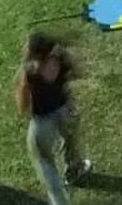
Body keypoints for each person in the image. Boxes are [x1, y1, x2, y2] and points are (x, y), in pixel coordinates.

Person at [15, 33, 90, 204]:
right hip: (65, 110)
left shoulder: (29, 71)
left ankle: (59, 201)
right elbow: (78, 72)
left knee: (44, 162)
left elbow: (22, 104)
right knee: (70, 140)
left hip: (42, 122)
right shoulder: (60, 60)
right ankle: (74, 169)